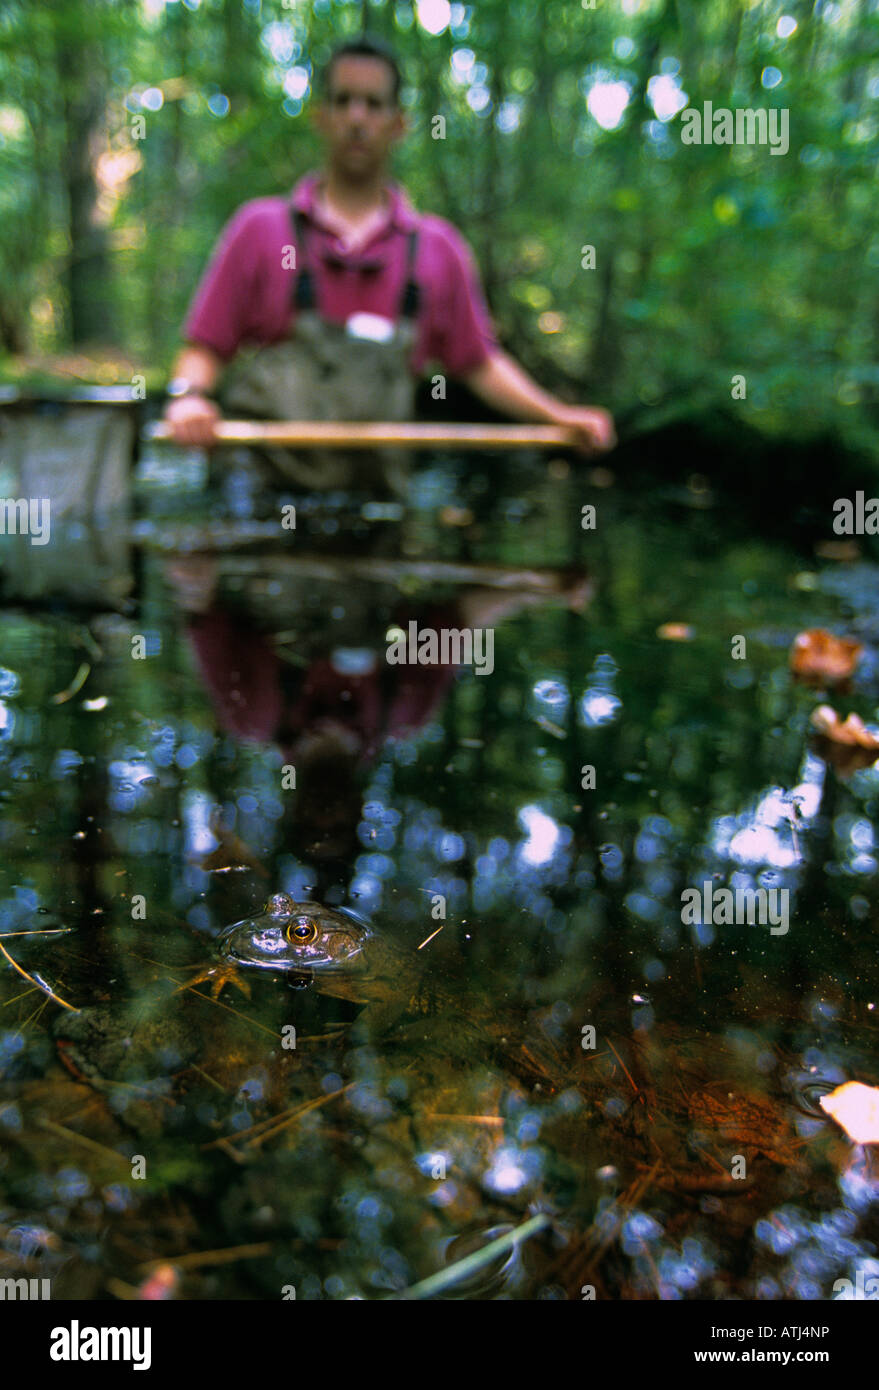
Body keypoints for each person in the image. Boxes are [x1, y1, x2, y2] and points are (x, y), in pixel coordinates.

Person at [163, 35, 615, 485]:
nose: (357, 118)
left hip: (379, 506)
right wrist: (188, 398)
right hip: (262, 504)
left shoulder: (438, 249)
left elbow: (479, 363)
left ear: (398, 123)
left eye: (373, 104)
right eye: (343, 101)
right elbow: (205, 347)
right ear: (321, 117)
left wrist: (559, 417)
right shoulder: (261, 230)